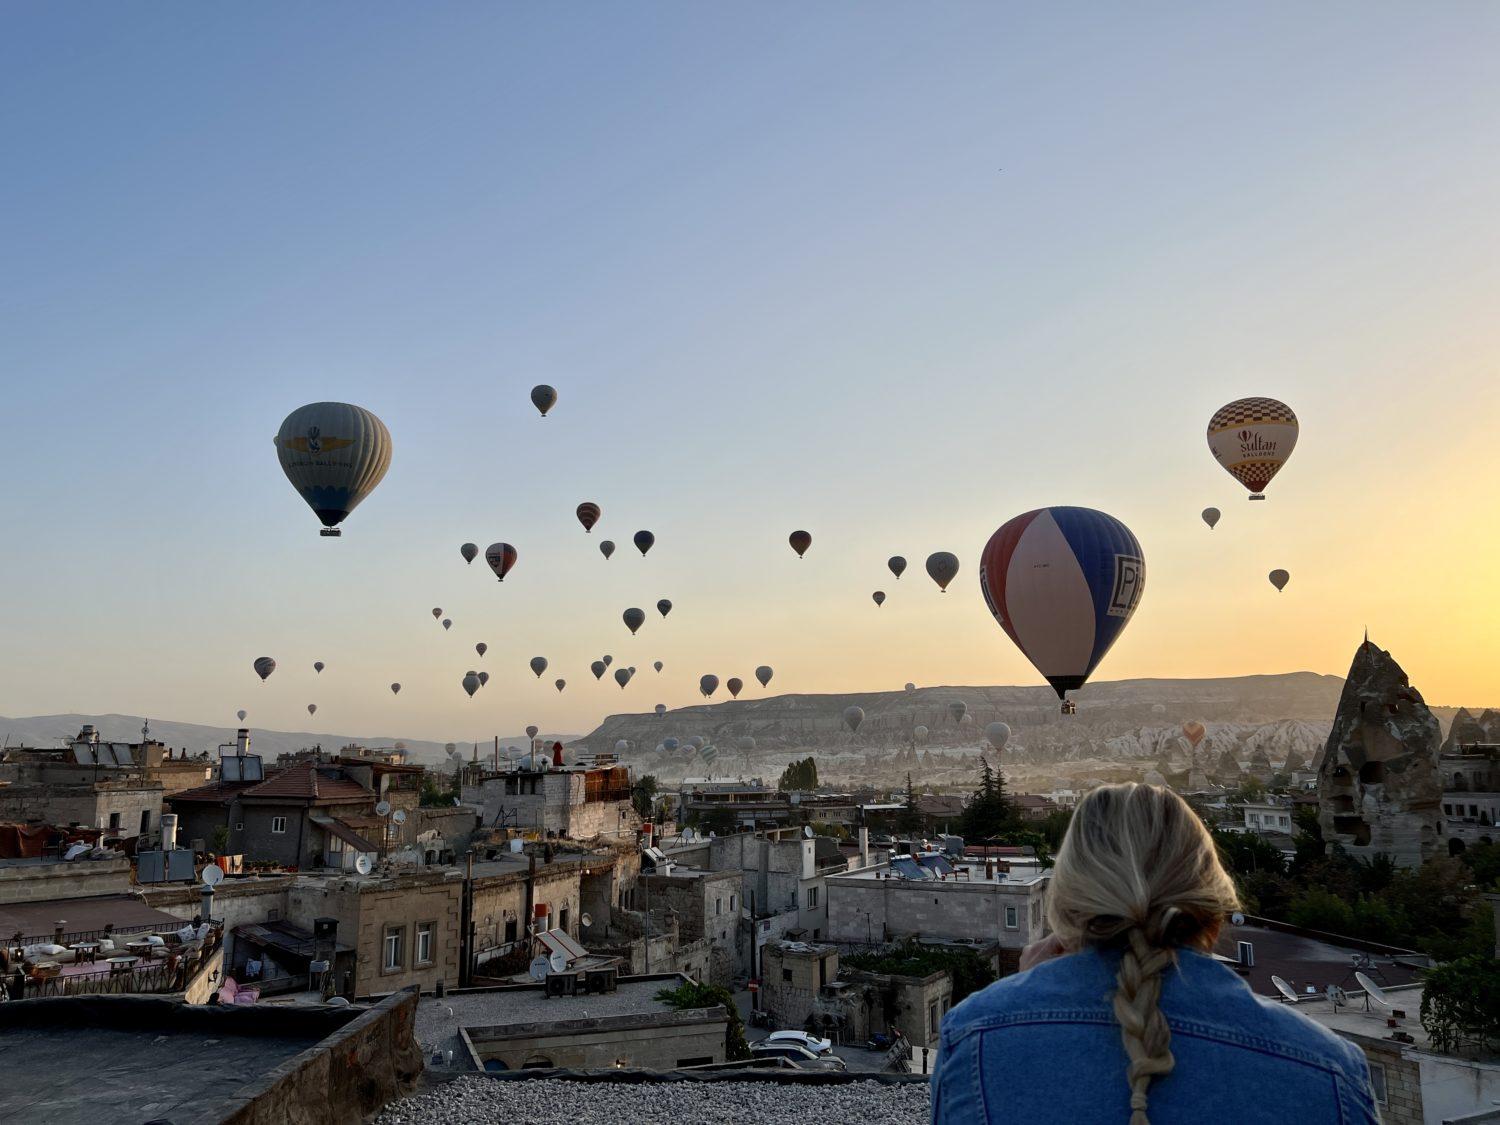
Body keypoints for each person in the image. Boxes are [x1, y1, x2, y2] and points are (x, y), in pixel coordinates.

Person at [932, 783, 1378, 1125]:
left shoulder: (976, 1038)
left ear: (1067, 905)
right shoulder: (1327, 1068)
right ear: (1213, 906)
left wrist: (1026, 994)